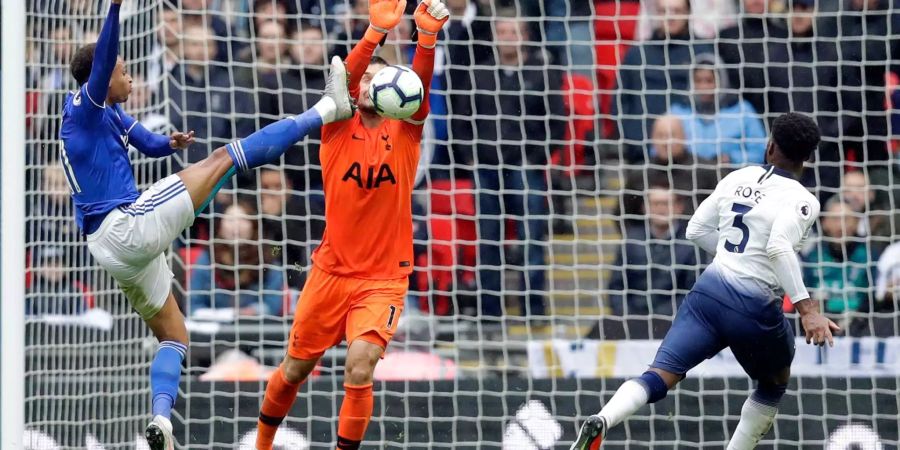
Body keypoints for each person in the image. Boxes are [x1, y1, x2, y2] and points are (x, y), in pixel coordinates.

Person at [58, 0, 354, 447]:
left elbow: (148, 143)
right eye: (123, 70)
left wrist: (169, 142)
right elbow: (104, 55)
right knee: (224, 159)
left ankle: (161, 421)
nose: (130, 76)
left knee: (175, 337)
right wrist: (116, 7)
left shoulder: (108, 113)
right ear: (102, 77)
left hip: (112, 249)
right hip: (126, 225)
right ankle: (327, 110)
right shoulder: (86, 106)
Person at [571, 113, 840, 450]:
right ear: (807, 158)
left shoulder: (737, 177)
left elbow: (695, 230)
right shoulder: (803, 201)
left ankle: (603, 419)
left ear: (769, 147)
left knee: (659, 374)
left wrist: (731, 258)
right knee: (772, 385)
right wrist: (808, 311)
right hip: (754, 309)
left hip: (708, 294)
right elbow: (778, 247)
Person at [253, 1, 449, 449]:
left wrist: (426, 39)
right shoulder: (336, 127)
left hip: (383, 280)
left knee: (361, 365)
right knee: (295, 369)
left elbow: (419, 86)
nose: (365, 83)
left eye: (377, 78)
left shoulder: (406, 133)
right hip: (330, 273)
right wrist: (375, 30)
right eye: (363, 78)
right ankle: (261, 443)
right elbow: (345, 75)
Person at [602, 180, 700, 339]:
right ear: (645, 207)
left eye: (666, 203)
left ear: (678, 207)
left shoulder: (692, 243)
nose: (660, 208)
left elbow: (692, 291)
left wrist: (661, 318)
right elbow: (616, 286)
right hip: (631, 320)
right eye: (655, 203)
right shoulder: (631, 240)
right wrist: (628, 315)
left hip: (674, 323)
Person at [615, 0, 712, 161]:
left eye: (677, 11)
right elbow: (620, 101)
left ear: (688, 12)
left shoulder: (703, 51)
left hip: (694, 155)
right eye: (664, 11)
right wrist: (634, 140)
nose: (670, 17)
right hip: (643, 153)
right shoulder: (638, 54)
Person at [187, 201, 286, 316]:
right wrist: (224, 315)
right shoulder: (207, 259)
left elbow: (272, 306)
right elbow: (192, 306)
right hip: (214, 330)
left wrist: (247, 313)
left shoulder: (268, 261)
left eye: (243, 220)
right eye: (230, 220)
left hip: (256, 330)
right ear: (220, 226)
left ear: (254, 226)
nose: (236, 225)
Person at [668, 54, 767, 166]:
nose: (703, 87)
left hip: (729, 175)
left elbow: (760, 153)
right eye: (698, 81)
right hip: (686, 176)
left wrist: (732, 158)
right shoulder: (678, 112)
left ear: (721, 81)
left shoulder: (742, 111)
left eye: (709, 81)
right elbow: (657, 150)